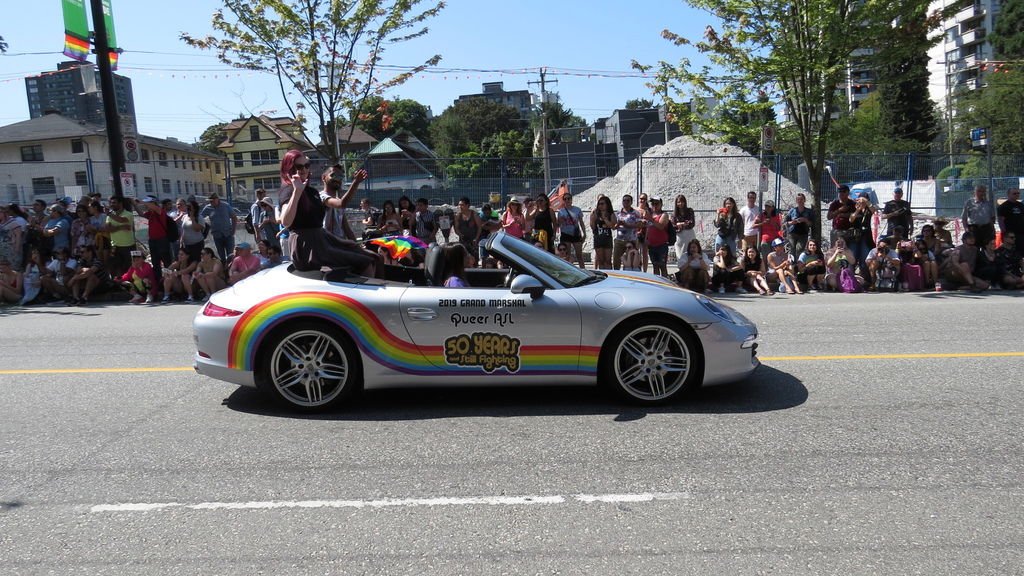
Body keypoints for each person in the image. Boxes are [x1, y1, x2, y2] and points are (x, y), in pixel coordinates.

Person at [278, 152, 383, 277]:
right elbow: (286, 221)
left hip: (324, 241)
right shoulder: (289, 190)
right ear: (289, 168)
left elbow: (337, 220)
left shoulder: (312, 192)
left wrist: (347, 242)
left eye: (307, 165)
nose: (304, 169)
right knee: (366, 261)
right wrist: (297, 192)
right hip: (308, 248)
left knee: (376, 257)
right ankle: (365, 295)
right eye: (299, 166)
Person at [135, 195, 173, 290]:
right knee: (156, 263)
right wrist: (133, 203)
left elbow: (154, 207)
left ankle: (170, 285)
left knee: (167, 262)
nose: (147, 205)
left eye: (148, 203)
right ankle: (159, 285)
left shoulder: (160, 211)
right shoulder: (150, 213)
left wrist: (141, 202)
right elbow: (141, 214)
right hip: (153, 241)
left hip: (162, 240)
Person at [321, 167, 358, 242]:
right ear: (323, 177)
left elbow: (346, 228)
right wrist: (356, 182)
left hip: (340, 245)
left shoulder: (338, 200)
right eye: (333, 175)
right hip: (327, 245)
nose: (337, 179)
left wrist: (357, 246)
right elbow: (341, 204)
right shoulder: (321, 196)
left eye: (340, 177)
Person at [200, 192, 238, 262]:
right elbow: (200, 218)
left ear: (217, 199)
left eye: (213, 201)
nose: (211, 202)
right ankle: (223, 268)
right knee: (221, 256)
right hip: (217, 235)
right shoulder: (207, 208)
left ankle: (231, 270)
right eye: (210, 201)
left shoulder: (226, 206)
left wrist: (233, 230)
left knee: (231, 255)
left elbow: (234, 217)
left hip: (228, 234)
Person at [105, 196, 135, 278]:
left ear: (120, 203)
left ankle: (129, 285)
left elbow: (121, 220)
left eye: (114, 203)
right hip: (115, 246)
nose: (112, 205)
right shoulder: (110, 216)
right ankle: (119, 283)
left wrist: (114, 226)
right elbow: (107, 229)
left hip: (128, 246)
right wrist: (120, 227)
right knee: (115, 266)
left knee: (128, 267)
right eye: (111, 203)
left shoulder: (128, 214)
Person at [556, 193, 587, 268]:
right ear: (563, 200)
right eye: (565, 199)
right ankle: (568, 270)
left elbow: (581, 222)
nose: (567, 200)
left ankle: (584, 271)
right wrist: (560, 221)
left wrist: (584, 233)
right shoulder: (561, 211)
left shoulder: (577, 210)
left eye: (568, 198)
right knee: (567, 255)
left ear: (571, 199)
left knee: (579, 255)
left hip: (576, 233)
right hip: (565, 233)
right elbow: (558, 225)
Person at [849, 195, 876, 277]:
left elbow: (874, 211)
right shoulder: (854, 207)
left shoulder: (869, 209)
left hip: (866, 236)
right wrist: (858, 210)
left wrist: (867, 202)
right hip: (855, 236)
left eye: (863, 200)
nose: (861, 202)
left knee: (865, 257)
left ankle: (864, 278)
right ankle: (850, 277)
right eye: (860, 200)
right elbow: (851, 219)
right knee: (853, 256)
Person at [612, 194, 640, 269]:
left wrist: (626, 224)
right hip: (619, 240)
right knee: (616, 261)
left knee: (631, 262)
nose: (626, 202)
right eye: (624, 200)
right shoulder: (618, 213)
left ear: (631, 202)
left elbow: (638, 225)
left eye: (628, 200)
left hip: (631, 240)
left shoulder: (636, 213)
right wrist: (618, 224)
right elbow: (613, 227)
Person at [644, 198, 670, 277]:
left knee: (662, 266)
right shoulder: (651, 215)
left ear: (661, 204)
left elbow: (661, 226)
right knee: (655, 266)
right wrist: (646, 239)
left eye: (657, 204)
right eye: (653, 204)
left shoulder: (664, 215)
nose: (654, 206)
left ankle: (665, 284)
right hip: (652, 245)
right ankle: (657, 284)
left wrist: (651, 219)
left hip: (661, 245)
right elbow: (648, 228)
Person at [589, 195, 615, 270]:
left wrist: (605, 219)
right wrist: (593, 219)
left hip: (607, 239)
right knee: (601, 261)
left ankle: (610, 275)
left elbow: (613, 226)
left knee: (608, 261)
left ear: (607, 204)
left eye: (602, 204)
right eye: (599, 204)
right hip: (598, 238)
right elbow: (593, 227)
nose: (600, 206)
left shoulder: (611, 214)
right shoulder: (595, 213)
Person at [784, 193, 813, 257]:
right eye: (798, 199)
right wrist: (792, 222)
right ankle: (793, 264)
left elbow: (811, 224)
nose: (800, 201)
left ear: (804, 200)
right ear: (796, 200)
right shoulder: (792, 210)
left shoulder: (808, 211)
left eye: (801, 199)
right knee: (792, 250)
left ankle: (798, 264)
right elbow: (785, 222)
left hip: (803, 234)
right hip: (792, 233)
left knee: (799, 249)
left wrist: (805, 220)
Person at [177, 198, 205, 264]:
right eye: (187, 207)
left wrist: (192, 218)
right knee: (188, 262)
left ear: (194, 208)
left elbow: (197, 229)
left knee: (196, 261)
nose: (188, 209)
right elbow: (184, 230)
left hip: (197, 244)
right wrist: (181, 241)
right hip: (187, 244)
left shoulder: (199, 217)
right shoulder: (185, 217)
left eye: (190, 207)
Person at [0, 204, 28, 271]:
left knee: (14, 269)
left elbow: (18, 236)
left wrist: (17, 249)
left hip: (12, 250)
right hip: (2, 251)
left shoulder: (13, 222)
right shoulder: (1, 224)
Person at [998, 188, 1024, 260]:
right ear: (1008, 194)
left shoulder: (1021, 205)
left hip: (1021, 234)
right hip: (1010, 234)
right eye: (1014, 193)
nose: (1017, 195)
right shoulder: (1003, 206)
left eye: (1018, 193)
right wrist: (1004, 234)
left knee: (1021, 253)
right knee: (1011, 253)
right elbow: (1001, 221)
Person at [454, 197, 482, 263]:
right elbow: (456, 229)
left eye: (462, 205)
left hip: (473, 240)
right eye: (459, 205)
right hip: (463, 240)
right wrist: (460, 235)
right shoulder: (458, 215)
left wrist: (476, 238)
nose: (460, 207)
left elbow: (480, 227)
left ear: (467, 205)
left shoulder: (474, 214)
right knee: (463, 258)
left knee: (474, 258)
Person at [671, 194, 697, 263]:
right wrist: (678, 225)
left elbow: (692, 223)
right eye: (678, 202)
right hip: (680, 237)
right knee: (680, 256)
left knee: (691, 254)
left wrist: (680, 224)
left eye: (682, 202)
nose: (680, 204)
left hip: (689, 235)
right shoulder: (674, 214)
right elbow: (673, 226)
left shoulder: (690, 211)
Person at [635, 194, 651, 272]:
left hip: (645, 233)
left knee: (645, 253)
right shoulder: (635, 210)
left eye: (644, 199)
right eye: (641, 199)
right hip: (636, 233)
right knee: (636, 252)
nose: (642, 200)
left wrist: (646, 237)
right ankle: (637, 269)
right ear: (638, 199)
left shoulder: (648, 211)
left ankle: (645, 271)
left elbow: (649, 224)